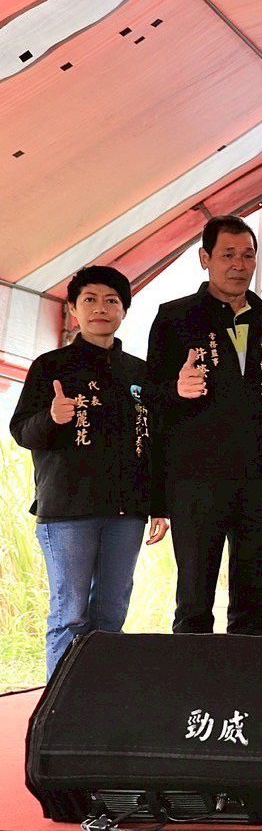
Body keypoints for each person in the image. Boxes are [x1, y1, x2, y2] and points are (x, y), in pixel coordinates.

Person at [9, 266, 168, 676]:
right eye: (90, 300)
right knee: (71, 614)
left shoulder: (139, 372)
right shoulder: (50, 366)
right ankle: (59, 705)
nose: (101, 309)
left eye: (111, 301)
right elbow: (21, 431)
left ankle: (98, 701)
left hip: (126, 512)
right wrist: (52, 417)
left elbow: (153, 443)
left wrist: (159, 505)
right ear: (74, 309)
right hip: (67, 510)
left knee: (111, 614)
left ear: (124, 311)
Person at [146, 215, 262, 636]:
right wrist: (176, 389)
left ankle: (246, 675)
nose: (239, 265)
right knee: (194, 599)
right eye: (228, 255)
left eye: (247, 256)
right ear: (205, 258)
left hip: (260, 480)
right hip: (196, 480)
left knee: (255, 600)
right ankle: (191, 676)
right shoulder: (175, 317)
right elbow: (148, 396)